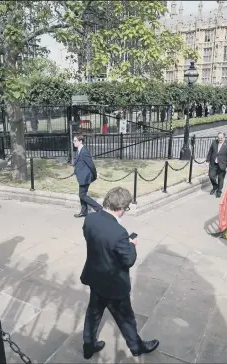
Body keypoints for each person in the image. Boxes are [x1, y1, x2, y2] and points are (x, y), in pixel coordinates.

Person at [81, 187, 159, 359]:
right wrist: (132, 244)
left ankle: (88, 345)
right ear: (121, 208)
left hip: (95, 277)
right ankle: (137, 347)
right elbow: (128, 260)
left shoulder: (90, 218)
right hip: (114, 285)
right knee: (126, 319)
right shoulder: (119, 233)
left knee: (93, 314)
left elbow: (91, 239)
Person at [73, 134, 102, 218]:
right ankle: (84, 212)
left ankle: (99, 208)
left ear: (80, 141)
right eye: (73, 141)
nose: (73, 142)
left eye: (75, 141)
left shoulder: (84, 151)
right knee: (82, 194)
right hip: (82, 176)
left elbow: (91, 164)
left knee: (82, 195)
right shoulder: (79, 150)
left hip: (85, 177)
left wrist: (96, 174)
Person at [206, 132, 227, 198]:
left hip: (223, 164)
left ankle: (219, 191)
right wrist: (207, 161)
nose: (220, 139)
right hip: (213, 163)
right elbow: (210, 152)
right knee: (211, 176)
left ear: (224, 137)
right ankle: (215, 186)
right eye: (218, 138)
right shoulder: (214, 142)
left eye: (221, 138)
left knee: (221, 179)